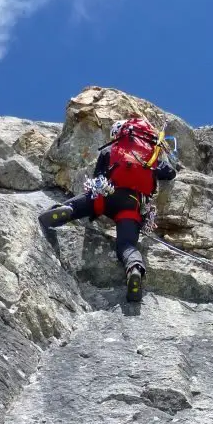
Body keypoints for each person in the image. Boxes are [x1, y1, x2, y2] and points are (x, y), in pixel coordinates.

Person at [39, 117, 178, 302]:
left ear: (118, 134)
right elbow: (170, 172)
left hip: (107, 194)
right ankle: (134, 268)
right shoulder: (150, 155)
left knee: (88, 200)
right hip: (132, 205)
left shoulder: (111, 150)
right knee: (126, 245)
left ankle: (66, 210)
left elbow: (98, 178)